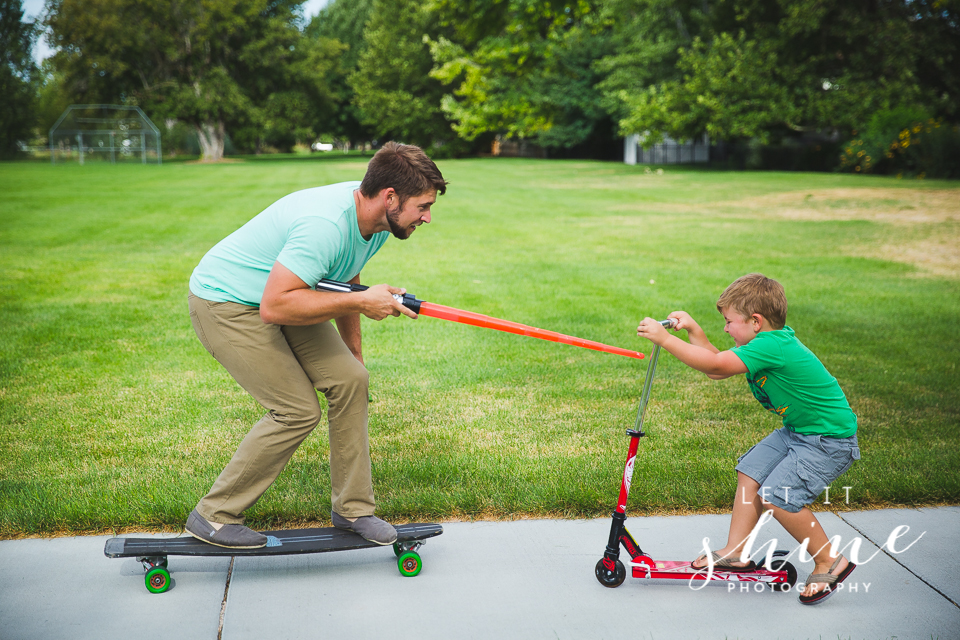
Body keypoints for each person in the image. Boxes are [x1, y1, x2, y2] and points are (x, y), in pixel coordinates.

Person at [184, 142, 447, 549]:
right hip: (228, 302)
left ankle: (353, 509)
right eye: (423, 206)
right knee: (296, 410)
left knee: (350, 379)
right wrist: (362, 300)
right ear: (390, 197)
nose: (428, 217)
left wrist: (353, 352)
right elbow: (274, 306)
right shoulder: (325, 224)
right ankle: (213, 515)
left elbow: (348, 276)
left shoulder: (378, 223)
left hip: (287, 295)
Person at [636, 273, 860, 605]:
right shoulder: (763, 343)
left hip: (827, 441)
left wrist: (665, 340)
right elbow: (716, 368)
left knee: (777, 496)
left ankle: (829, 560)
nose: (725, 329)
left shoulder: (773, 346)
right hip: (799, 431)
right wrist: (694, 331)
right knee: (751, 470)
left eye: (729, 322)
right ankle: (735, 552)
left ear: (755, 321)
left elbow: (715, 364)